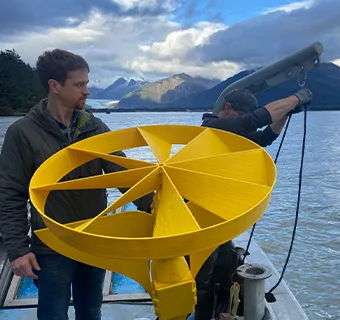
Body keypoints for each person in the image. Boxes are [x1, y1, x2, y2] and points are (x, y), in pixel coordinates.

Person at [0, 49, 153, 320]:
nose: (87, 92)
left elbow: (124, 175)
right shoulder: (22, 133)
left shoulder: (95, 127)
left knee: (91, 312)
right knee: (52, 315)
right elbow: (10, 194)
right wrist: (18, 250)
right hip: (51, 245)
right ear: (54, 86)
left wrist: (158, 204)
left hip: (93, 239)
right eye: (79, 84)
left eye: (87, 83)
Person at [191, 87, 313, 320]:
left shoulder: (232, 136)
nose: (248, 126)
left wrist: (286, 113)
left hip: (218, 217)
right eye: (242, 116)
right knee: (201, 279)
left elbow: (265, 137)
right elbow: (253, 121)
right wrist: (295, 97)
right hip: (198, 219)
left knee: (223, 271)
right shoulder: (212, 127)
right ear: (227, 109)